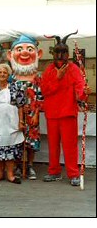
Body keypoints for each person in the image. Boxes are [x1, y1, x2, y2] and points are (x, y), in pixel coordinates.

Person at [40, 32, 91, 186]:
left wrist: (84, 93)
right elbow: (45, 90)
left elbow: (80, 90)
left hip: (68, 112)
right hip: (52, 113)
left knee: (69, 146)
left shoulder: (74, 69)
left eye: (63, 52)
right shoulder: (49, 69)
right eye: (57, 52)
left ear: (68, 54)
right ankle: (54, 171)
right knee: (53, 146)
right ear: (53, 53)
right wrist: (58, 78)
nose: (60, 55)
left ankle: (73, 173)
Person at [7, 34, 44, 180]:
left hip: (31, 115)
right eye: (19, 49)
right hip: (15, 116)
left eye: (29, 49)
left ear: (38, 54)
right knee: (16, 139)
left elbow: (40, 97)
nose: (24, 53)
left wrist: (36, 113)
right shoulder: (11, 79)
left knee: (32, 141)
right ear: (10, 55)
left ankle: (29, 165)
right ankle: (16, 165)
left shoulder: (37, 79)